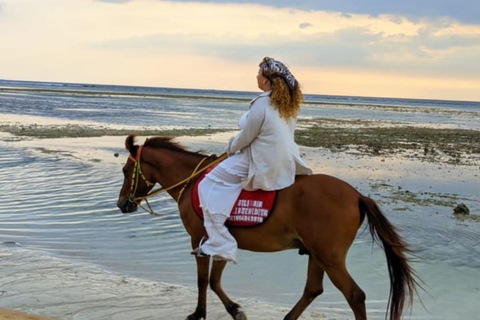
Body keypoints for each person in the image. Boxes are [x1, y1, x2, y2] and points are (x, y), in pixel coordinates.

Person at [194, 57, 312, 263]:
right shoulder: (285, 105)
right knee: (225, 183)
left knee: (207, 184)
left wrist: (229, 148)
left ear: (266, 80)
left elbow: (247, 136)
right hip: (283, 159)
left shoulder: (262, 103)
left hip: (259, 158)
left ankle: (221, 244)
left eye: (259, 73)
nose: (256, 76)